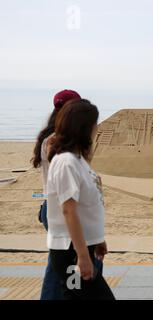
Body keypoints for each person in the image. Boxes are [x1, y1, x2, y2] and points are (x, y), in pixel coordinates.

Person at [46, 99, 114, 300]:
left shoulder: (77, 160)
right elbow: (69, 210)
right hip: (70, 251)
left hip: (81, 247)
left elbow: (87, 205)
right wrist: (82, 255)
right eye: (94, 123)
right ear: (84, 127)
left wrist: (97, 239)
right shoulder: (66, 162)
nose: (97, 128)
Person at [31, 89, 83, 300]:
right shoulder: (56, 141)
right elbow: (66, 182)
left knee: (59, 266)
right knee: (63, 267)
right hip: (61, 211)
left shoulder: (50, 137)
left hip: (53, 208)